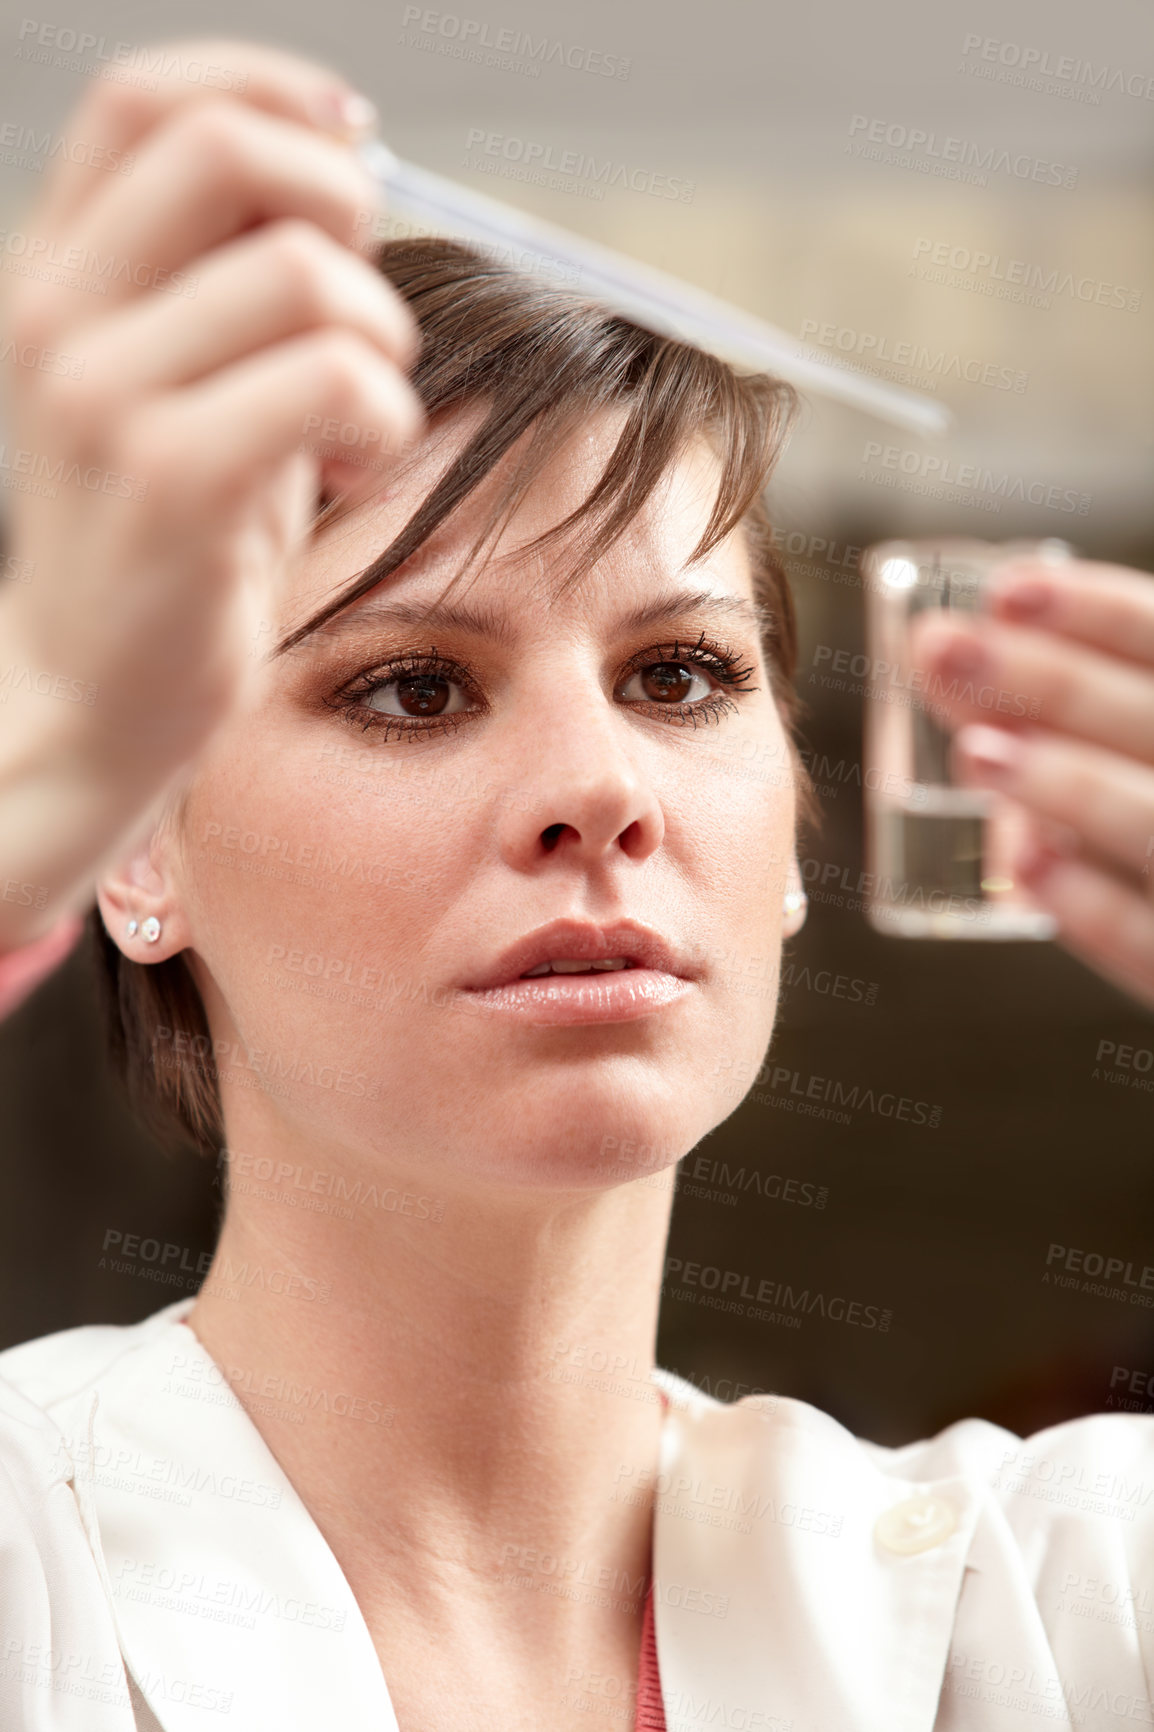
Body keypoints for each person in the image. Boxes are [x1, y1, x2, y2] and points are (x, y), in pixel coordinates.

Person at [0, 37, 1151, 1732]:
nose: (600, 790)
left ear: (792, 842)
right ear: (135, 846)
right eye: (412, 686)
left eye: (680, 677)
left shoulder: (1067, 1602)